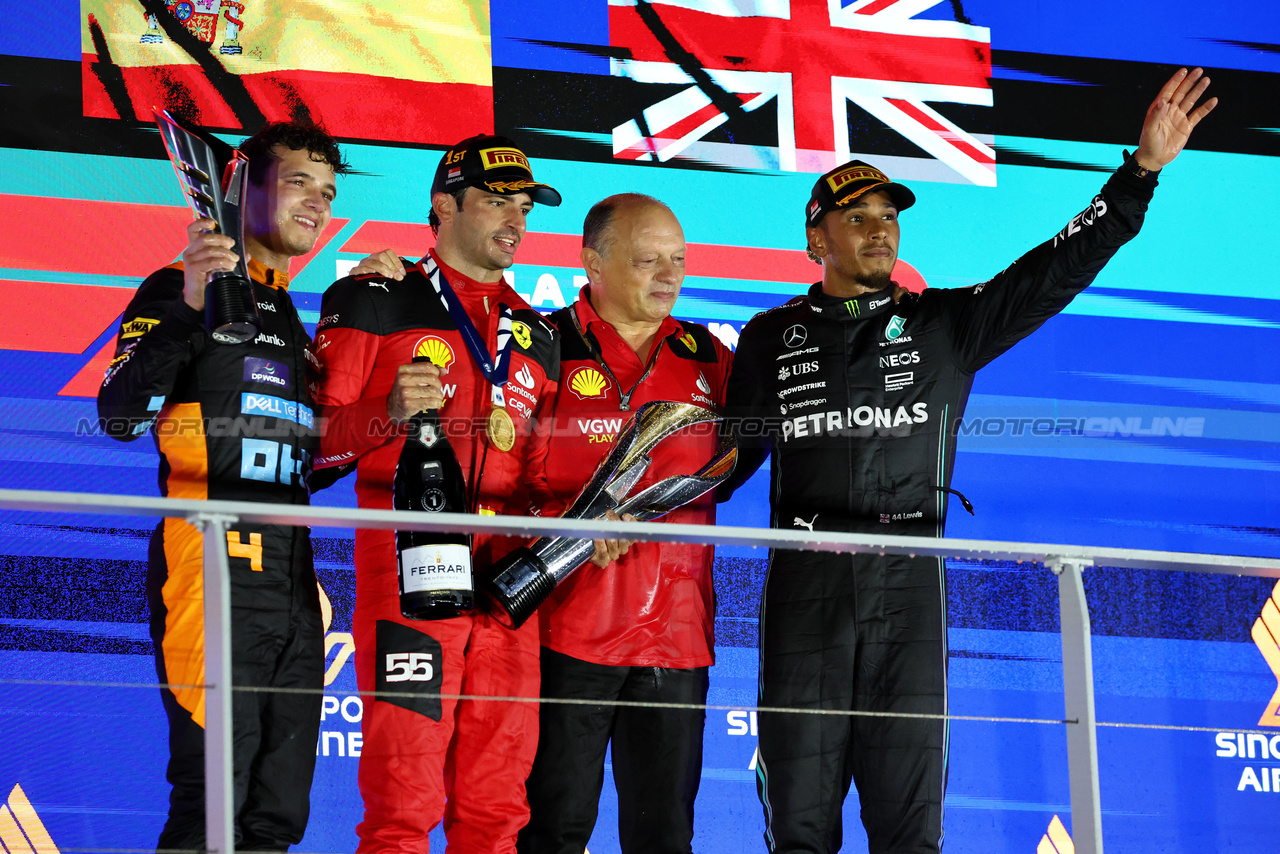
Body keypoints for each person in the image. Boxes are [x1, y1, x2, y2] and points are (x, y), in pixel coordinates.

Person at [718, 69, 1217, 853]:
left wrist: (1139, 175)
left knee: (910, 829)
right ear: (816, 239)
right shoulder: (767, 337)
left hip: (910, 582)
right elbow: (721, 462)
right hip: (805, 586)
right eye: (857, 218)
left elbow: (1051, 271)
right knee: (800, 829)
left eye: (888, 216)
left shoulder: (944, 324)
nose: (880, 231)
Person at [311, 134, 600, 854]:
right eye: (497, 200)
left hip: (507, 585)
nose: (516, 218)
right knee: (403, 808)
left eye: (525, 204)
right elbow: (313, 452)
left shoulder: (539, 333)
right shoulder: (373, 295)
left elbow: (538, 478)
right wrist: (389, 413)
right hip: (408, 566)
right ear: (444, 204)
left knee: (497, 809)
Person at [97, 120, 350, 850]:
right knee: (213, 799)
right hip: (210, 566)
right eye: (300, 182)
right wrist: (188, 304)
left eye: (328, 192)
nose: (317, 204)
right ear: (243, 187)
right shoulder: (180, 286)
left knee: (276, 817)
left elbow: (313, 463)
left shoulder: (293, 315)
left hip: (297, 581)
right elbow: (119, 418)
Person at [516, 195, 733, 854]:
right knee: (553, 831)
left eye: (678, 260)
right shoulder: (539, 344)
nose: (669, 275)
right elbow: (496, 478)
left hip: (676, 639)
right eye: (648, 261)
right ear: (593, 263)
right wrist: (566, 526)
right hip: (563, 630)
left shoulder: (710, 359)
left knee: (664, 838)